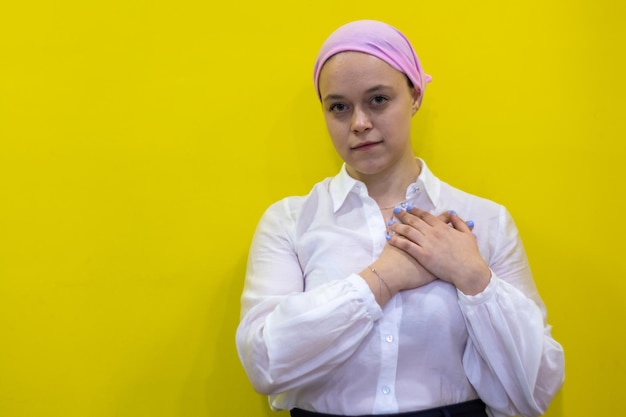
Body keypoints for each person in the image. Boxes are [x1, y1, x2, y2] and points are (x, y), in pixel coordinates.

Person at [235, 19, 564, 417]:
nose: (359, 123)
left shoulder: (485, 221)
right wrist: (384, 278)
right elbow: (266, 362)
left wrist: (474, 278)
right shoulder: (289, 222)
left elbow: (539, 386)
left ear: (414, 95)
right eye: (339, 107)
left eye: (378, 100)